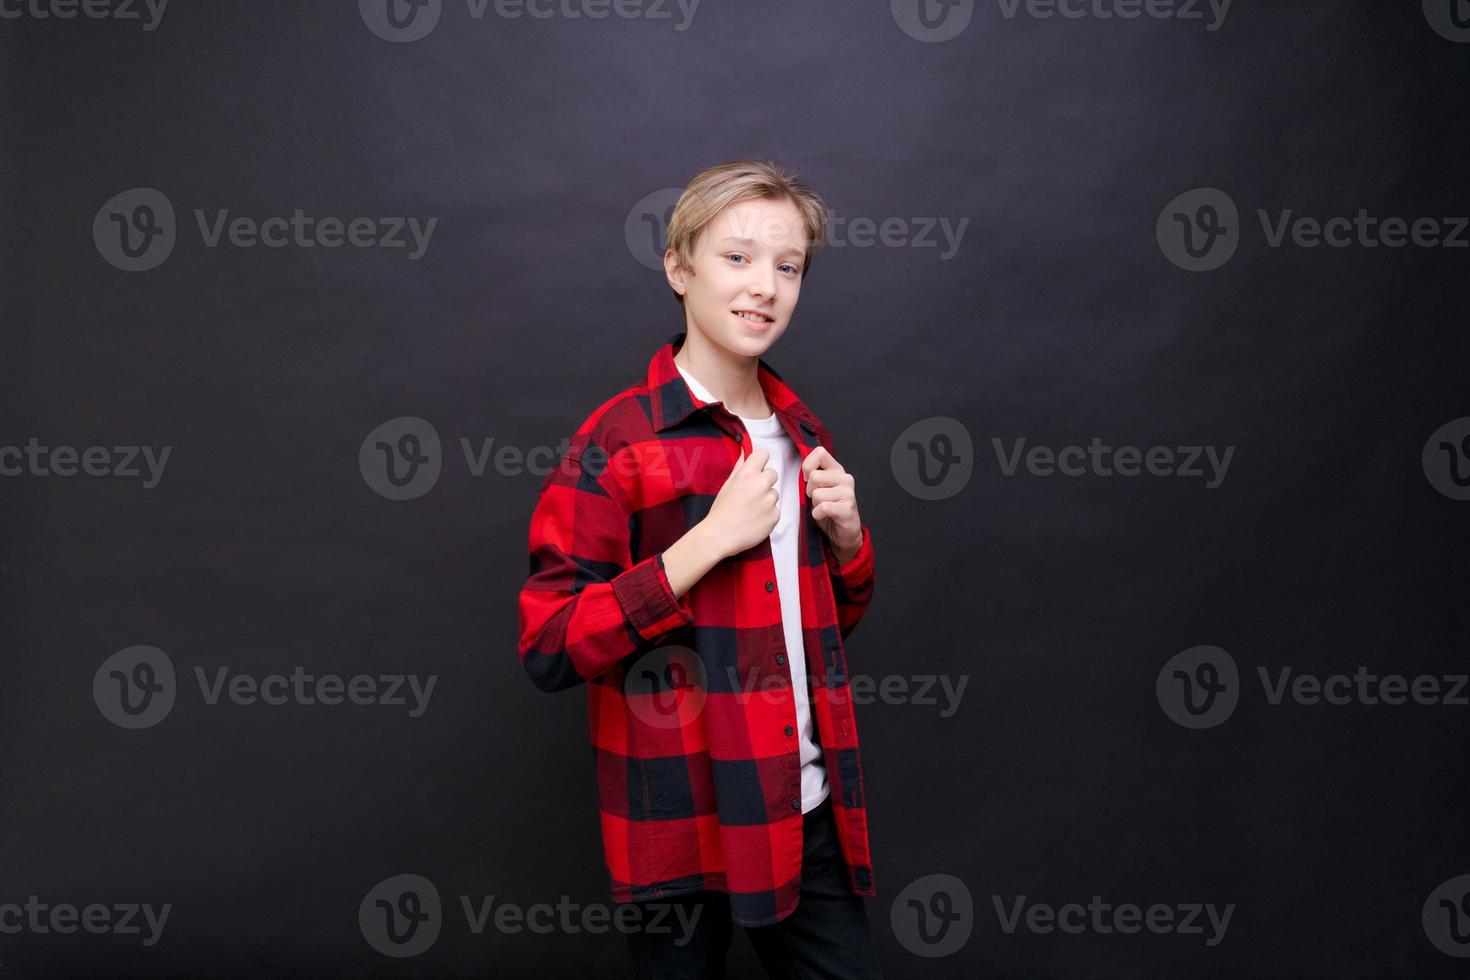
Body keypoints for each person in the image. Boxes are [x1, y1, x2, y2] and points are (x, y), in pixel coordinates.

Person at [517, 159, 884, 979]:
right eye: (738, 258)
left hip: (800, 809)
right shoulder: (620, 440)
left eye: (788, 268)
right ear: (679, 269)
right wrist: (699, 549)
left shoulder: (803, 432)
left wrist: (851, 543)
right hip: (681, 824)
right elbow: (549, 643)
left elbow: (812, 632)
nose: (766, 287)